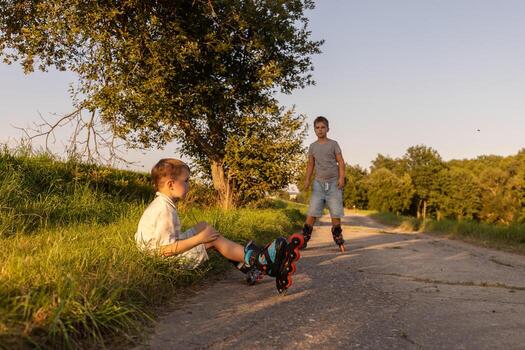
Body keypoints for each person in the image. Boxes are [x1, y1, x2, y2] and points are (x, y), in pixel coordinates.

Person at [135, 158, 303, 293]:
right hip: (164, 262)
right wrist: (200, 239)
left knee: (204, 227)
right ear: (171, 184)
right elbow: (163, 250)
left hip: (162, 254)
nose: (189, 185)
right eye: (186, 181)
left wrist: (199, 231)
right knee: (213, 240)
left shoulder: (163, 204)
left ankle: (251, 265)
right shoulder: (164, 210)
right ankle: (259, 260)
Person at [302, 116, 346, 251]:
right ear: (314, 130)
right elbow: (310, 164)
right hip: (319, 184)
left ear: (328, 129)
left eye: (322, 127)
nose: (320, 130)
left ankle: (338, 236)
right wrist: (308, 179)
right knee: (312, 212)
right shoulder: (312, 147)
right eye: (317, 128)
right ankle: (304, 238)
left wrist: (341, 178)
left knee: (335, 213)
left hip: (333, 183)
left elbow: (341, 161)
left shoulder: (333, 144)